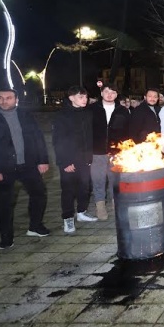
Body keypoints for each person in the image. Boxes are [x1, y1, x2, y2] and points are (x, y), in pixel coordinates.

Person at [0, 88, 50, 249]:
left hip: (28, 164)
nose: (4, 101)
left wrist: (42, 160)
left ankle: (35, 226)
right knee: (3, 203)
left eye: (8, 98)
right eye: (0, 98)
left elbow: (38, 137)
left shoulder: (25, 116)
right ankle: (6, 236)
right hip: (2, 169)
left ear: (16, 99)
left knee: (39, 194)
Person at [53, 86, 97, 234]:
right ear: (71, 98)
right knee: (68, 190)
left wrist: (89, 157)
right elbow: (58, 140)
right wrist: (65, 162)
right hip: (69, 160)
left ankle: (82, 212)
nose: (84, 100)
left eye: (85, 97)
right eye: (81, 97)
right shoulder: (62, 115)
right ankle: (68, 219)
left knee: (85, 187)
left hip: (85, 158)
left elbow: (90, 136)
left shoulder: (87, 113)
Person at [89, 83, 130, 220]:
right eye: (106, 91)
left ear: (116, 95)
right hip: (97, 152)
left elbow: (127, 132)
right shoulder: (92, 109)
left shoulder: (122, 110)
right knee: (98, 180)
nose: (109, 94)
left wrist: (125, 150)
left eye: (113, 92)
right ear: (101, 93)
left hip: (116, 152)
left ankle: (116, 205)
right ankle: (100, 207)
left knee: (115, 180)